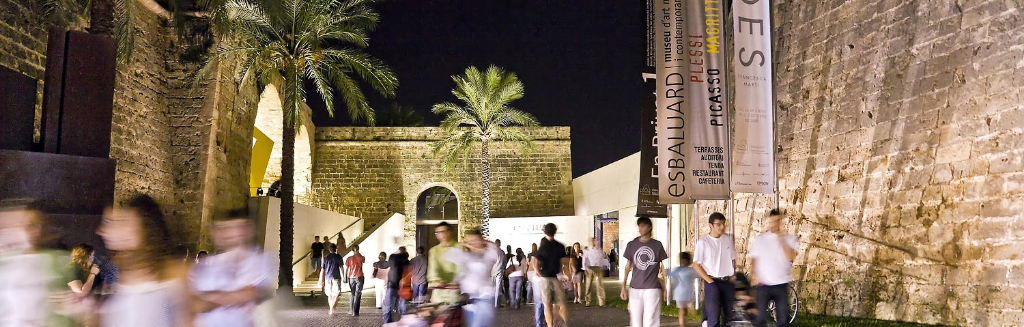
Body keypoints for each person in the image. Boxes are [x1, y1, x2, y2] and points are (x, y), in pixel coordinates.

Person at [97, 194, 190, 327]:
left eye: (118, 222)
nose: (102, 231)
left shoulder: (172, 277)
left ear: (144, 228)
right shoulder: (124, 274)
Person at [0, 199, 86, 327]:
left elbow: (75, 303)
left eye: (33, 226)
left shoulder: (59, 262)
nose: (27, 232)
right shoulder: (5, 263)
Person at [189, 207, 272, 327]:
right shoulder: (205, 265)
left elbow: (247, 294)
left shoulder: (259, 261)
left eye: (234, 227)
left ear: (247, 229)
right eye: (221, 228)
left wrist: (208, 298)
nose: (227, 233)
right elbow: (193, 304)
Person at [750, 209, 798, 327]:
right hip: (764, 284)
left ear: (781, 222)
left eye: (777, 221)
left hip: (781, 283)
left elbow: (790, 257)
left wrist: (780, 238)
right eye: (772, 221)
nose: (774, 224)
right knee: (760, 319)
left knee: (782, 319)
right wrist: (754, 275)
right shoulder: (760, 239)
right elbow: (754, 259)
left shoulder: (789, 239)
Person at [445, 229, 502, 327]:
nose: (472, 243)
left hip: (484, 298)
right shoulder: (467, 256)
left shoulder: (488, 255)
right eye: (469, 241)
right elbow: (449, 253)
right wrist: (455, 282)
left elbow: (496, 249)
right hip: (468, 299)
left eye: (475, 240)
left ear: (482, 240)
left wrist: (483, 242)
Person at [620, 216, 669, 327]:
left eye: (643, 225)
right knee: (635, 321)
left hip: (652, 288)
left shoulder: (657, 245)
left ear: (649, 227)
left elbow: (662, 267)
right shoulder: (632, 244)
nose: (640, 228)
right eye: (639, 226)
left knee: (650, 320)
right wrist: (623, 286)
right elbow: (628, 266)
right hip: (635, 287)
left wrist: (665, 287)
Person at [693, 212, 737, 327]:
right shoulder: (703, 242)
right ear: (711, 225)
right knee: (713, 317)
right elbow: (696, 264)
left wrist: (733, 276)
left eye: (723, 224)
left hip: (728, 281)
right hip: (712, 281)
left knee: (730, 316)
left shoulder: (728, 239)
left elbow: (733, 259)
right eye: (718, 224)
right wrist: (710, 281)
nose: (722, 227)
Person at [532, 223, 569, 327]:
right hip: (556, 277)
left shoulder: (542, 247)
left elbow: (535, 264)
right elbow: (564, 263)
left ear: (545, 231)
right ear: (555, 231)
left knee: (547, 304)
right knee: (561, 302)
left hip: (544, 278)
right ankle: (565, 323)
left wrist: (539, 273)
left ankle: (550, 325)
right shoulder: (560, 246)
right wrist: (565, 275)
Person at [427, 222, 459, 301]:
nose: (442, 235)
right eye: (438, 232)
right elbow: (433, 269)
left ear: (450, 232)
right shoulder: (434, 250)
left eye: (444, 231)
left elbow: (463, 267)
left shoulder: (460, 248)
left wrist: (457, 280)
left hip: (456, 292)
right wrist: (437, 279)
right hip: (439, 292)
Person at [668, 252, 698, 327]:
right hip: (682, 295)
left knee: (684, 311)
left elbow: (669, 273)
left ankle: (683, 323)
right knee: (682, 311)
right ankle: (682, 324)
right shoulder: (688, 270)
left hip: (685, 294)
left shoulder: (687, 270)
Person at [383, 247, 411, 323]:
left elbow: (385, 265)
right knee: (402, 304)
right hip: (402, 285)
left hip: (392, 283)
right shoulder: (406, 261)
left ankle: (387, 321)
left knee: (388, 304)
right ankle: (404, 320)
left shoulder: (393, 257)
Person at [318, 244, 344, 314]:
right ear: (335, 249)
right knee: (336, 294)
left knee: (329, 294)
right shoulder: (338, 257)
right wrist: (344, 276)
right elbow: (341, 267)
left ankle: (331, 309)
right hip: (336, 277)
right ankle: (332, 308)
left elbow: (322, 269)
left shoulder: (326, 257)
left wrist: (321, 279)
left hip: (327, 278)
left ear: (329, 250)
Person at [582, 237, 607, 307]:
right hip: (590, 268)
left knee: (600, 285)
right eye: (592, 241)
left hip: (598, 268)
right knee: (588, 285)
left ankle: (601, 301)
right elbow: (584, 260)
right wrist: (585, 269)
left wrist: (601, 268)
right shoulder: (587, 250)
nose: (594, 242)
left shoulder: (599, 250)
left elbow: (601, 259)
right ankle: (587, 301)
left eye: (595, 241)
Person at [344, 244, 366, 316]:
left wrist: (345, 277)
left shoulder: (349, 258)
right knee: (358, 294)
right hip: (359, 276)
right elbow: (364, 260)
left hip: (351, 277)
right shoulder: (361, 257)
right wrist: (358, 253)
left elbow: (347, 268)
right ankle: (355, 312)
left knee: (352, 294)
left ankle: (351, 310)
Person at [492, 239, 509, 307]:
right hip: (499, 270)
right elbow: (504, 262)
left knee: (492, 288)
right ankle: (497, 304)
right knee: (498, 288)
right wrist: (504, 268)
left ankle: (491, 303)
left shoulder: (492, 251)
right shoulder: (502, 252)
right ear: (500, 244)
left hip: (492, 271)